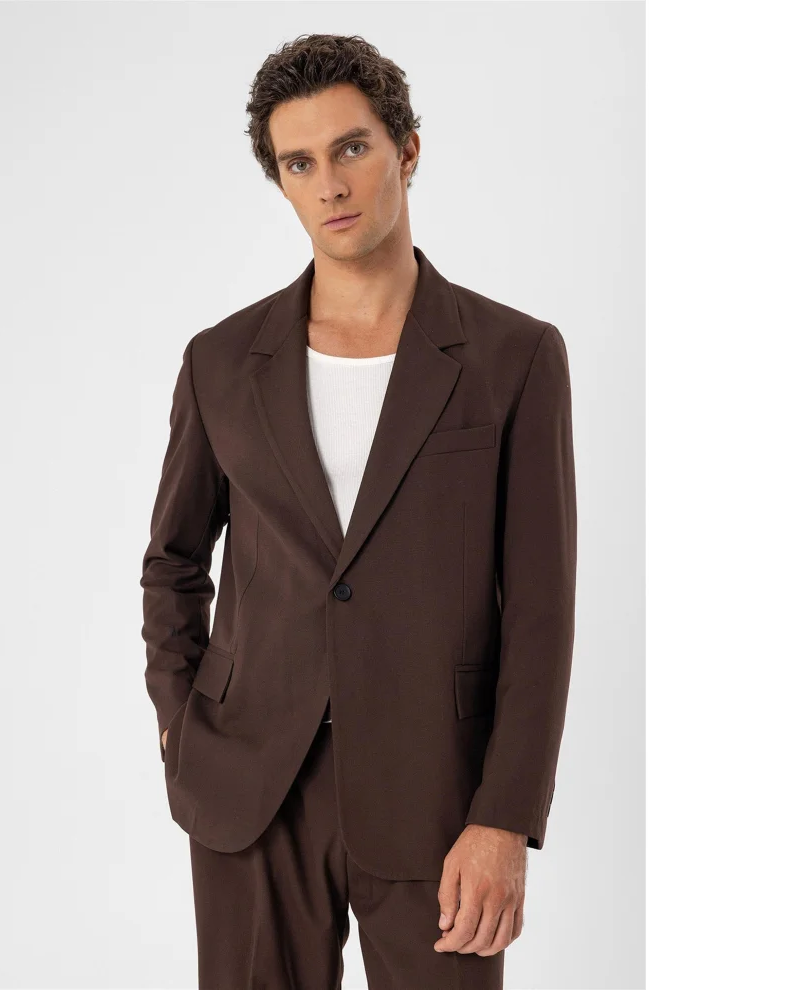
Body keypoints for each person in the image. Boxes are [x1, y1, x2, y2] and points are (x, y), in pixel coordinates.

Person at [142, 33, 577, 990]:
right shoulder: (221, 361)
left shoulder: (515, 358)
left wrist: (505, 817)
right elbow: (173, 559)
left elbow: (541, 613)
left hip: (440, 796)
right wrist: (179, 722)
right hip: (252, 789)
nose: (330, 185)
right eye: (299, 163)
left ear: (406, 150)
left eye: (351, 148)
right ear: (281, 183)